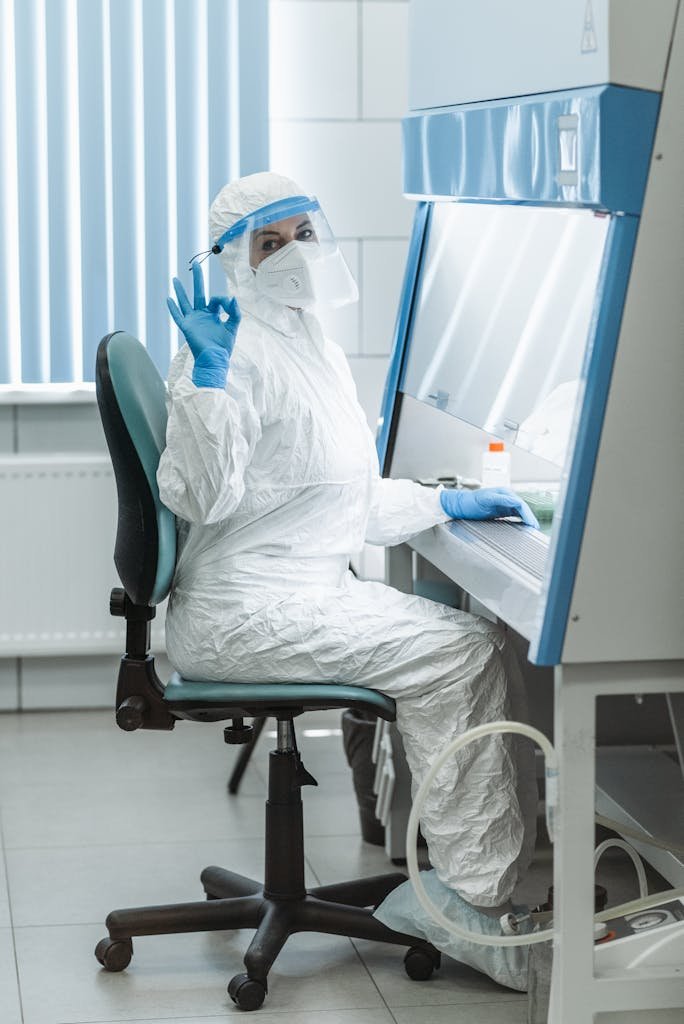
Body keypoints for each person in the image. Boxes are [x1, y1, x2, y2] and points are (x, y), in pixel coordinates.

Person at [157, 171, 540, 990]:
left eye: (303, 232)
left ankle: (471, 882)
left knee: (473, 641)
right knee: (462, 654)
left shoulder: (312, 345)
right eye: (269, 242)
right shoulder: (224, 352)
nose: (294, 253)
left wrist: (444, 500)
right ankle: (472, 906)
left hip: (303, 590)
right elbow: (203, 496)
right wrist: (208, 382)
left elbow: (341, 498)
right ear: (233, 260)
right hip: (242, 611)